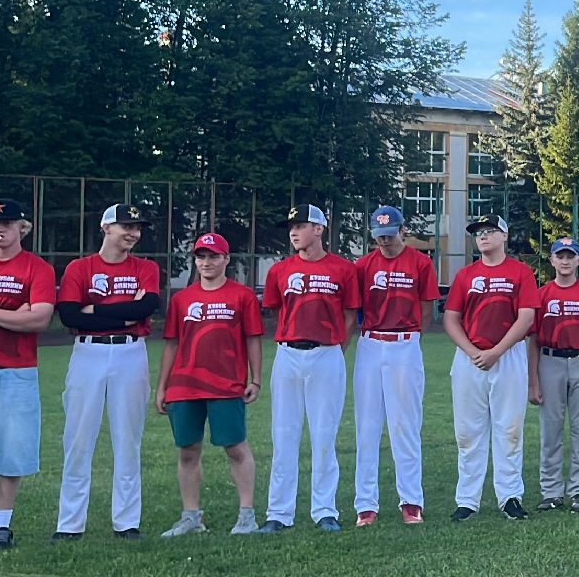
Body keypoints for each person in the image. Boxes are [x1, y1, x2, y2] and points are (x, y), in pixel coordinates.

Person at [54, 202, 162, 542]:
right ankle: (69, 525)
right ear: (106, 228)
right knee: (77, 439)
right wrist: (124, 314)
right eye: (126, 226)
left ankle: (127, 523)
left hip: (130, 352)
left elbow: (147, 307)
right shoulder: (80, 268)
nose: (133, 233)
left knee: (127, 438)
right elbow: (71, 316)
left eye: (137, 228)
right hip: (87, 352)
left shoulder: (145, 267)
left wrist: (96, 309)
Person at [259, 205, 362, 534]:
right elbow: (277, 310)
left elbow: (351, 315)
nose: (294, 232)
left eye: (301, 225)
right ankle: (278, 512)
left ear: (319, 229)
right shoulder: (279, 270)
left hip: (327, 354)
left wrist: (334, 347)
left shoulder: (342, 269)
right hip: (288, 353)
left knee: (323, 435)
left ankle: (325, 510)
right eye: (291, 226)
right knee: (284, 434)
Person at [156, 233, 263, 537]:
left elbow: (253, 339)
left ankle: (246, 516)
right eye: (201, 257)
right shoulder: (182, 299)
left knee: (235, 447)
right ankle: (191, 516)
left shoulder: (241, 296)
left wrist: (255, 379)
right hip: (185, 385)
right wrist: (162, 386)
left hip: (226, 384)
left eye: (213, 256)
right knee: (188, 450)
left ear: (226, 259)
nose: (206, 263)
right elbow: (172, 344)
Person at [442, 213, 538, 521]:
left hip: (507, 356)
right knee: (468, 431)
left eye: (490, 231)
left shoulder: (520, 272)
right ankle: (467, 500)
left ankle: (509, 496)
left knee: (509, 428)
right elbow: (451, 318)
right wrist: (472, 351)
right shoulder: (466, 275)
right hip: (470, 358)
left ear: (504, 236)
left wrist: (497, 351)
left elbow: (526, 317)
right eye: (479, 232)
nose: (483, 236)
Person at [353, 205, 439, 527]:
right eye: (378, 237)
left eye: (389, 236)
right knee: (367, 425)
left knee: (405, 424)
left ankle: (411, 501)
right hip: (371, 343)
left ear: (403, 231)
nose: (384, 243)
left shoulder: (420, 263)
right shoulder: (363, 265)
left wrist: (411, 337)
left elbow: (427, 307)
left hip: (404, 343)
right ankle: (366, 505)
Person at [0, 198, 55, 550]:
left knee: (12, 450)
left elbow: (38, 319)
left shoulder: (37, 268)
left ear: (22, 227)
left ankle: (0, 525)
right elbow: (24, 316)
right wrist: (13, 313)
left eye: (8, 222)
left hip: (17, 369)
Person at [530, 237, 579, 512]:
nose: (564, 261)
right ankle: (550, 491)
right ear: (551, 260)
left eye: (570, 256)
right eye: (559, 256)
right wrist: (533, 381)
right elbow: (534, 341)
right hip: (550, 361)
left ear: (578, 260)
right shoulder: (541, 295)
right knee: (551, 431)